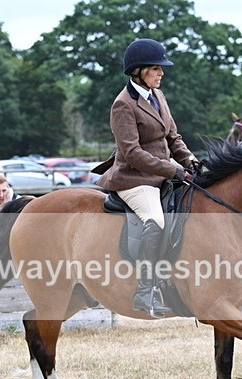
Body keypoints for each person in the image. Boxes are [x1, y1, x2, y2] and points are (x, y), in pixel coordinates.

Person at [94, 38, 198, 318]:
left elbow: (173, 137)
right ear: (138, 71)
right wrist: (173, 170)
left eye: (161, 68)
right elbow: (133, 153)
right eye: (155, 68)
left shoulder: (158, 96)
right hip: (134, 179)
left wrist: (191, 162)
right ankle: (145, 291)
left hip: (160, 176)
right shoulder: (123, 104)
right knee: (156, 220)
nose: (161, 73)